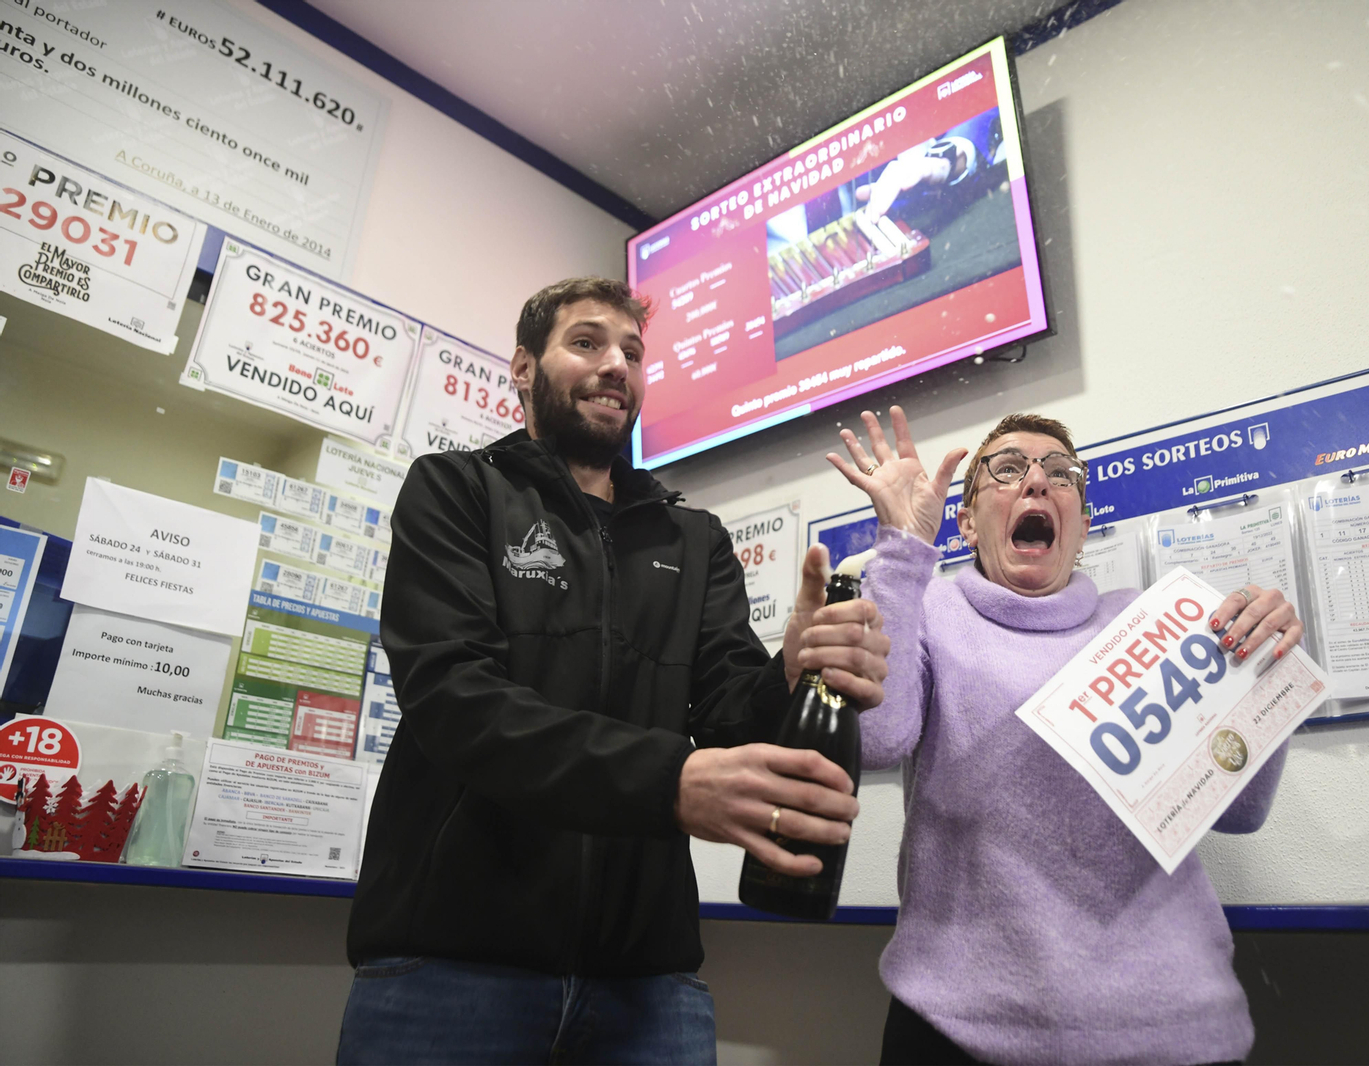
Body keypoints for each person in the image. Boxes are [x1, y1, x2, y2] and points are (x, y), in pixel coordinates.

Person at [338, 277, 890, 1065]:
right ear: (524, 368)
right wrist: (672, 780)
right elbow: (458, 704)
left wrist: (793, 673)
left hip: (648, 984)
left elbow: (737, 718)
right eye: (587, 343)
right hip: (451, 968)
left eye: (632, 352)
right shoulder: (454, 490)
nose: (617, 366)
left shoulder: (694, 539)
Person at [826, 406, 1305, 1066]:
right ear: (967, 522)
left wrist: (1259, 664)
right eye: (1008, 469)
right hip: (958, 1028)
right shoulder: (929, 609)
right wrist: (904, 548)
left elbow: (1242, 810)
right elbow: (877, 739)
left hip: (1170, 1030)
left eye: (1061, 474)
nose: (1038, 482)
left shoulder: (1149, 622)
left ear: (1080, 526)